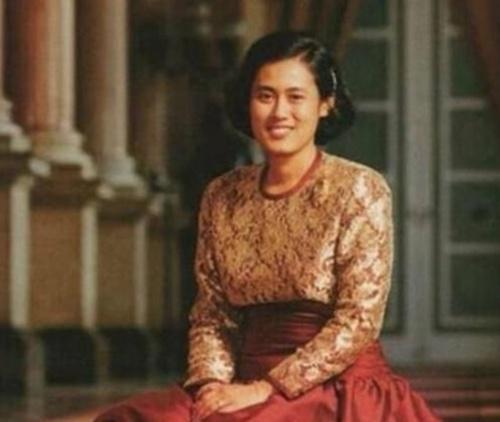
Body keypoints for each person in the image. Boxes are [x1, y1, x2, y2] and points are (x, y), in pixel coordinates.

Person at [94, 31, 442, 421]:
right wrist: (211, 386)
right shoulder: (222, 194)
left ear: (325, 104)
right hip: (240, 380)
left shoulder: (358, 188)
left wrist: (267, 388)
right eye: (265, 96)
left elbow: (358, 320)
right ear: (248, 102)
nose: (279, 112)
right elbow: (212, 314)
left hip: (333, 385)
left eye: (295, 97)